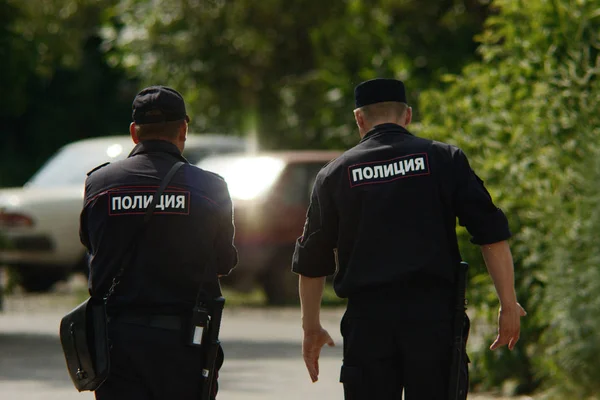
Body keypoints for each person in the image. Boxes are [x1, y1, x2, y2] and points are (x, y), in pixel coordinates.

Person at [292, 78, 526, 399]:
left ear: (359, 119)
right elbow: (491, 234)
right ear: (408, 115)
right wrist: (508, 304)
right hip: (434, 322)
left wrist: (311, 328)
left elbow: (312, 261)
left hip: (368, 324)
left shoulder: (335, 174)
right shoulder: (444, 160)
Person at [79, 86, 238, 400]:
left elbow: (91, 245)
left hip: (116, 344)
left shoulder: (98, 183)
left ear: (134, 133)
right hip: (185, 343)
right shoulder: (210, 187)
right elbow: (225, 262)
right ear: (183, 129)